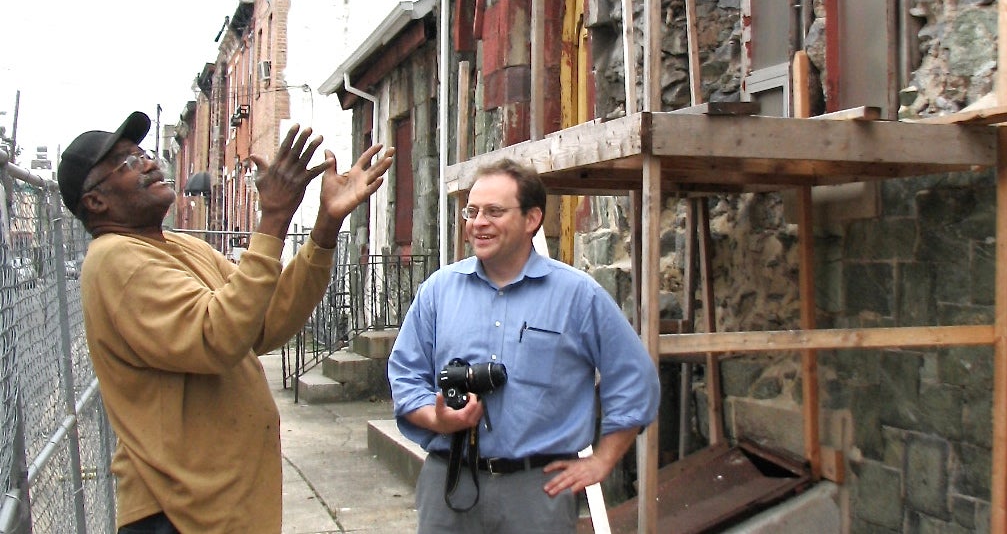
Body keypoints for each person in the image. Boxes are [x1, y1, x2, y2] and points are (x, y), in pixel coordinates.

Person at [57, 111, 394, 533]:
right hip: (177, 513)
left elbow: (261, 321)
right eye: (126, 163)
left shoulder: (177, 246)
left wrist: (325, 228)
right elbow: (217, 336)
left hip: (219, 506)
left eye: (142, 153)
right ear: (95, 201)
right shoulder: (115, 259)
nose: (147, 162)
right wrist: (272, 218)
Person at [388, 158, 660, 533]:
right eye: (473, 211)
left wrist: (602, 460)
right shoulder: (438, 291)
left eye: (494, 211)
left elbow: (635, 377)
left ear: (532, 219)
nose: (478, 222)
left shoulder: (577, 296)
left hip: (537, 492)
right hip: (448, 485)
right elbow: (404, 377)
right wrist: (437, 418)